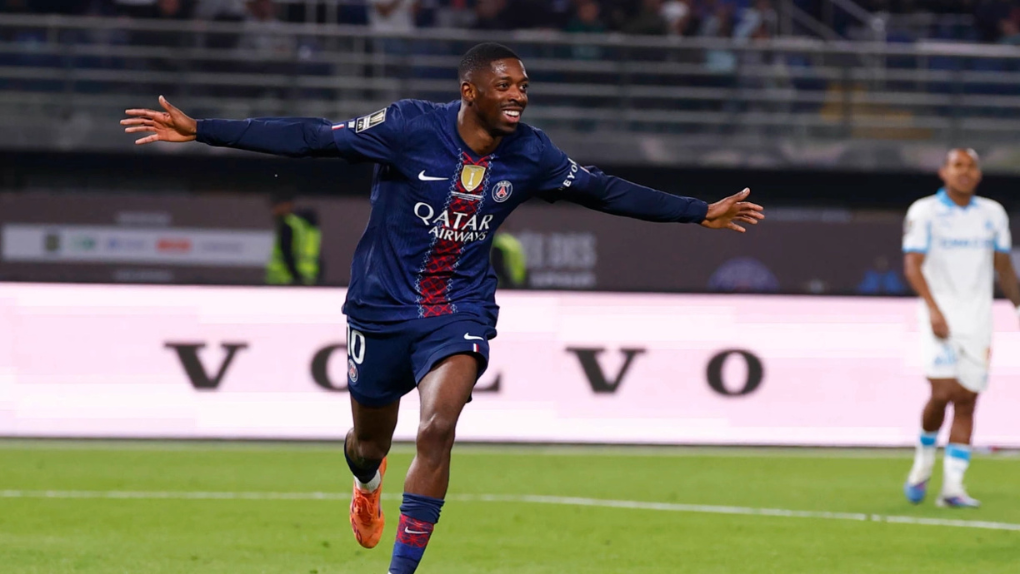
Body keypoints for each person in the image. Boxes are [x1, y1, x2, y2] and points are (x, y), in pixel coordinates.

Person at [121, 42, 764, 573]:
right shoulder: (408, 127)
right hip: (379, 308)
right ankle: (366, 484)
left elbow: (601, 189)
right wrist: (202, 130)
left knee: (436, 429)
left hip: (459, 310)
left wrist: (698, 211)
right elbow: (314, 137)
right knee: (368, 444)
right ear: (470, 91)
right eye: (505, 85)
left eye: (524, 86)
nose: (518, 96)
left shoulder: (532, 153)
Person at [901, 148, 1020, 508]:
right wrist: (934, 310)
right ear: (944, 172)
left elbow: (1003, 266)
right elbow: (912, 265)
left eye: (971, 166)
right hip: (939, 317)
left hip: (978, 320)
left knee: (968, 399)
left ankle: (952, 488)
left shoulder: (992, 213)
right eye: (958, 166)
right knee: (943, 393)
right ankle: (923, 463)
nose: (965, 172)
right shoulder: (924, 211)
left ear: (979, 174)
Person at [266, 191, 322, 286]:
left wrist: (297, 278)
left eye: (275, 206)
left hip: (285, 281)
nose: (273, 211)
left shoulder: (289, 225)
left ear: (286, 205)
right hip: (305, 279)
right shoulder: (308, 228)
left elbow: (287, 253)